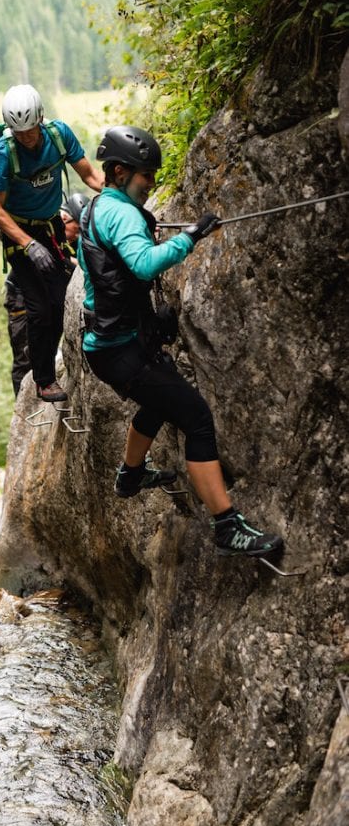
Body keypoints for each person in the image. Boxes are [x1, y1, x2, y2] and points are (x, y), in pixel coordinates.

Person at [78, 125, 284, 558]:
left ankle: (130, 476)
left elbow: (105, 280)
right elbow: (143, 264)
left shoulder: (97, 210)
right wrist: (191, 236)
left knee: (157, 403)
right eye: (145, 174)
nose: (150, 182)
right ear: (118, 171)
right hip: (120, 351)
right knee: (196, 418)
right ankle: (227, 526)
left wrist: (148, 323)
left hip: (111, 345)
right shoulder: (122, 214)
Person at [0, 84, 103, 403]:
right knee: (38, 308)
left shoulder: (59, 135)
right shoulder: (2, 154)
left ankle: (62, 358)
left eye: (30, 130)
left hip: (51, 227)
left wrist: (116, 196)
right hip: (18, 233)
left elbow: (89, 175)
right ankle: (44, 380)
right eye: (19, 132)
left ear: (40, 118)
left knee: (60, 298)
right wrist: (28, 245)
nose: (26, 137)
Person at [4, 191, 91, 397]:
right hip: (20, 294)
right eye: (76, 230)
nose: (77, 236)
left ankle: (41, 362)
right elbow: (62, 262)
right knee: (23, 352)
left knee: (51, 322)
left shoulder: (69, 237)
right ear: (65, 218)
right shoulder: (49, 229)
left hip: (44, 290)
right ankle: (23, 401)